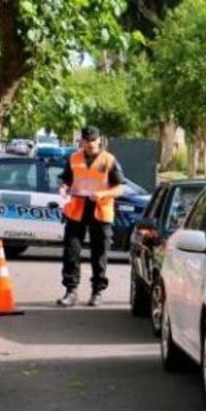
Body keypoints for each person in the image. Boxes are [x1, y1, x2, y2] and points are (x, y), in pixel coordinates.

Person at [56, 126, 126, 307]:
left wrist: (103, 194)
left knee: (99, 252)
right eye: (86, 141)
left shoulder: (109, 160)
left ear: (99, 140)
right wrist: (63, 188)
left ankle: (97, 292)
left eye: (93, 140)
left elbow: (121, 188)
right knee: (71, 251)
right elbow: (66, 180)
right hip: (77, 208)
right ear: (82, 141)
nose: (89, 144)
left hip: (100, 209)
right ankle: (71, 291)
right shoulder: (74, 158)